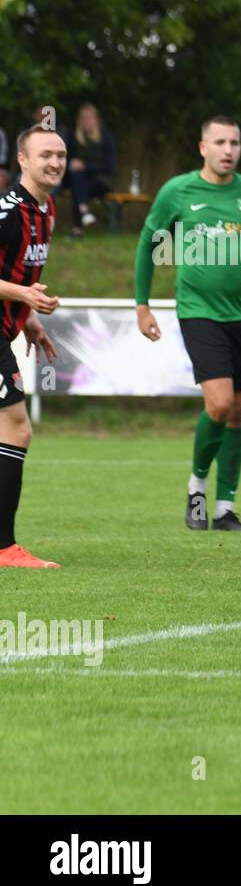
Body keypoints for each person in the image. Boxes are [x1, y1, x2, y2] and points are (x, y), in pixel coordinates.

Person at [134, 116, 241, 531]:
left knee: (238, 413)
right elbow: (148, 242)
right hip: (198, 312)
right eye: (220, 142)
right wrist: (142, 303)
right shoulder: (178, 191)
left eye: (235, 142)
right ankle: (196, 488)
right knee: (220, 404)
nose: (229, 150)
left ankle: (225, 508)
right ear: (202, 147)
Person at [0, 126, 65, 567]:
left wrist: (31, 320)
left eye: (60, 155)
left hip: (6, 329)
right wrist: (23, 298)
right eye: (45, 155)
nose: (55, 162)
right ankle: (4, 548)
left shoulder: (47, 210)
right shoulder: (6, 212)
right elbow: (19, 285)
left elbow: (17, 273)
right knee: (17, 427)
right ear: (22, 159)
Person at [67, 103, 117, 230]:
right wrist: (72, 164)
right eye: (83, 118)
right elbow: (68, 160)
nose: (86, 121)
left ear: (96, 120)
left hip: (102, 182)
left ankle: (78, 225)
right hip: (81, 181)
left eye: (89, 118)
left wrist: (84, 166)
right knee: (78, 179)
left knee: (78, 181)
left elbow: (109, 167)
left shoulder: (106, 138)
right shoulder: (75, 139)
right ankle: (84, 211)